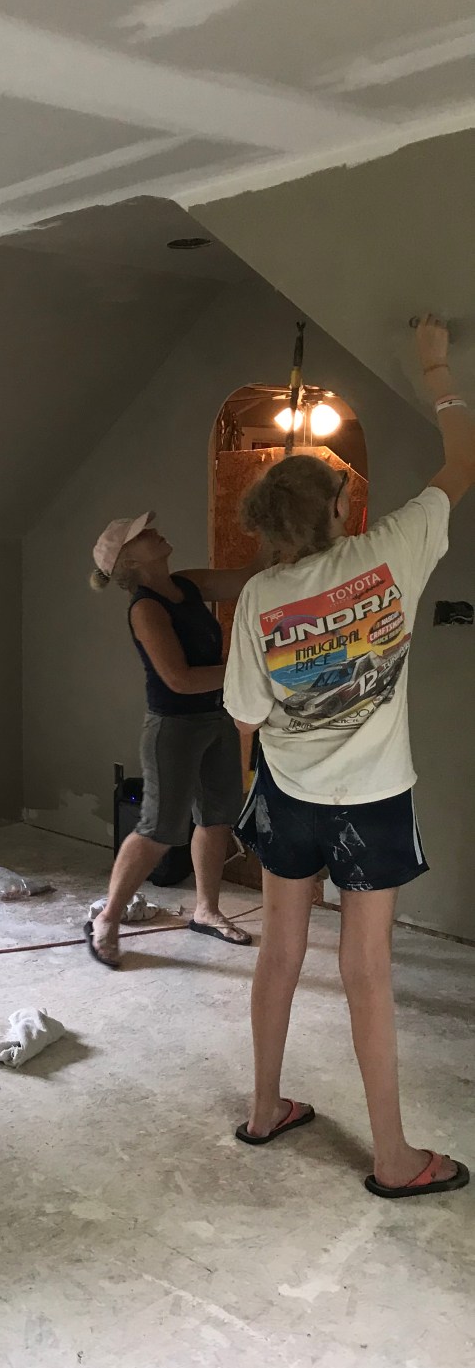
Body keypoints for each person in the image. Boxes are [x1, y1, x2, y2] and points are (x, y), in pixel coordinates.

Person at [224, 313, 473, 1199]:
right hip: (371, 799)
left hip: (288, 797)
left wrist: (260, 790)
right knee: (366, 971)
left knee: (279, 950)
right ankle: (394, 1159)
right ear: (335, 511)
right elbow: (462, 461)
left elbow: (246, 716)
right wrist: (436, 367)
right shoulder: (390, 553)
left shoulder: (258, 598)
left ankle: (264, 1109)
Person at [87, 514, 267, 967]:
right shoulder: (146, 608)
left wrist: (272, 526)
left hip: (216, 718)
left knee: (217, 817)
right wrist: (251, 668)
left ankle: (206, 911)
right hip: (174, 728)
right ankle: (108, 919)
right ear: (130, 560)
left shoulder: (186, 584)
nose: (155, 531)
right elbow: (180, 680)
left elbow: (247, 576)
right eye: (142, 535)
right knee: (158, 829)